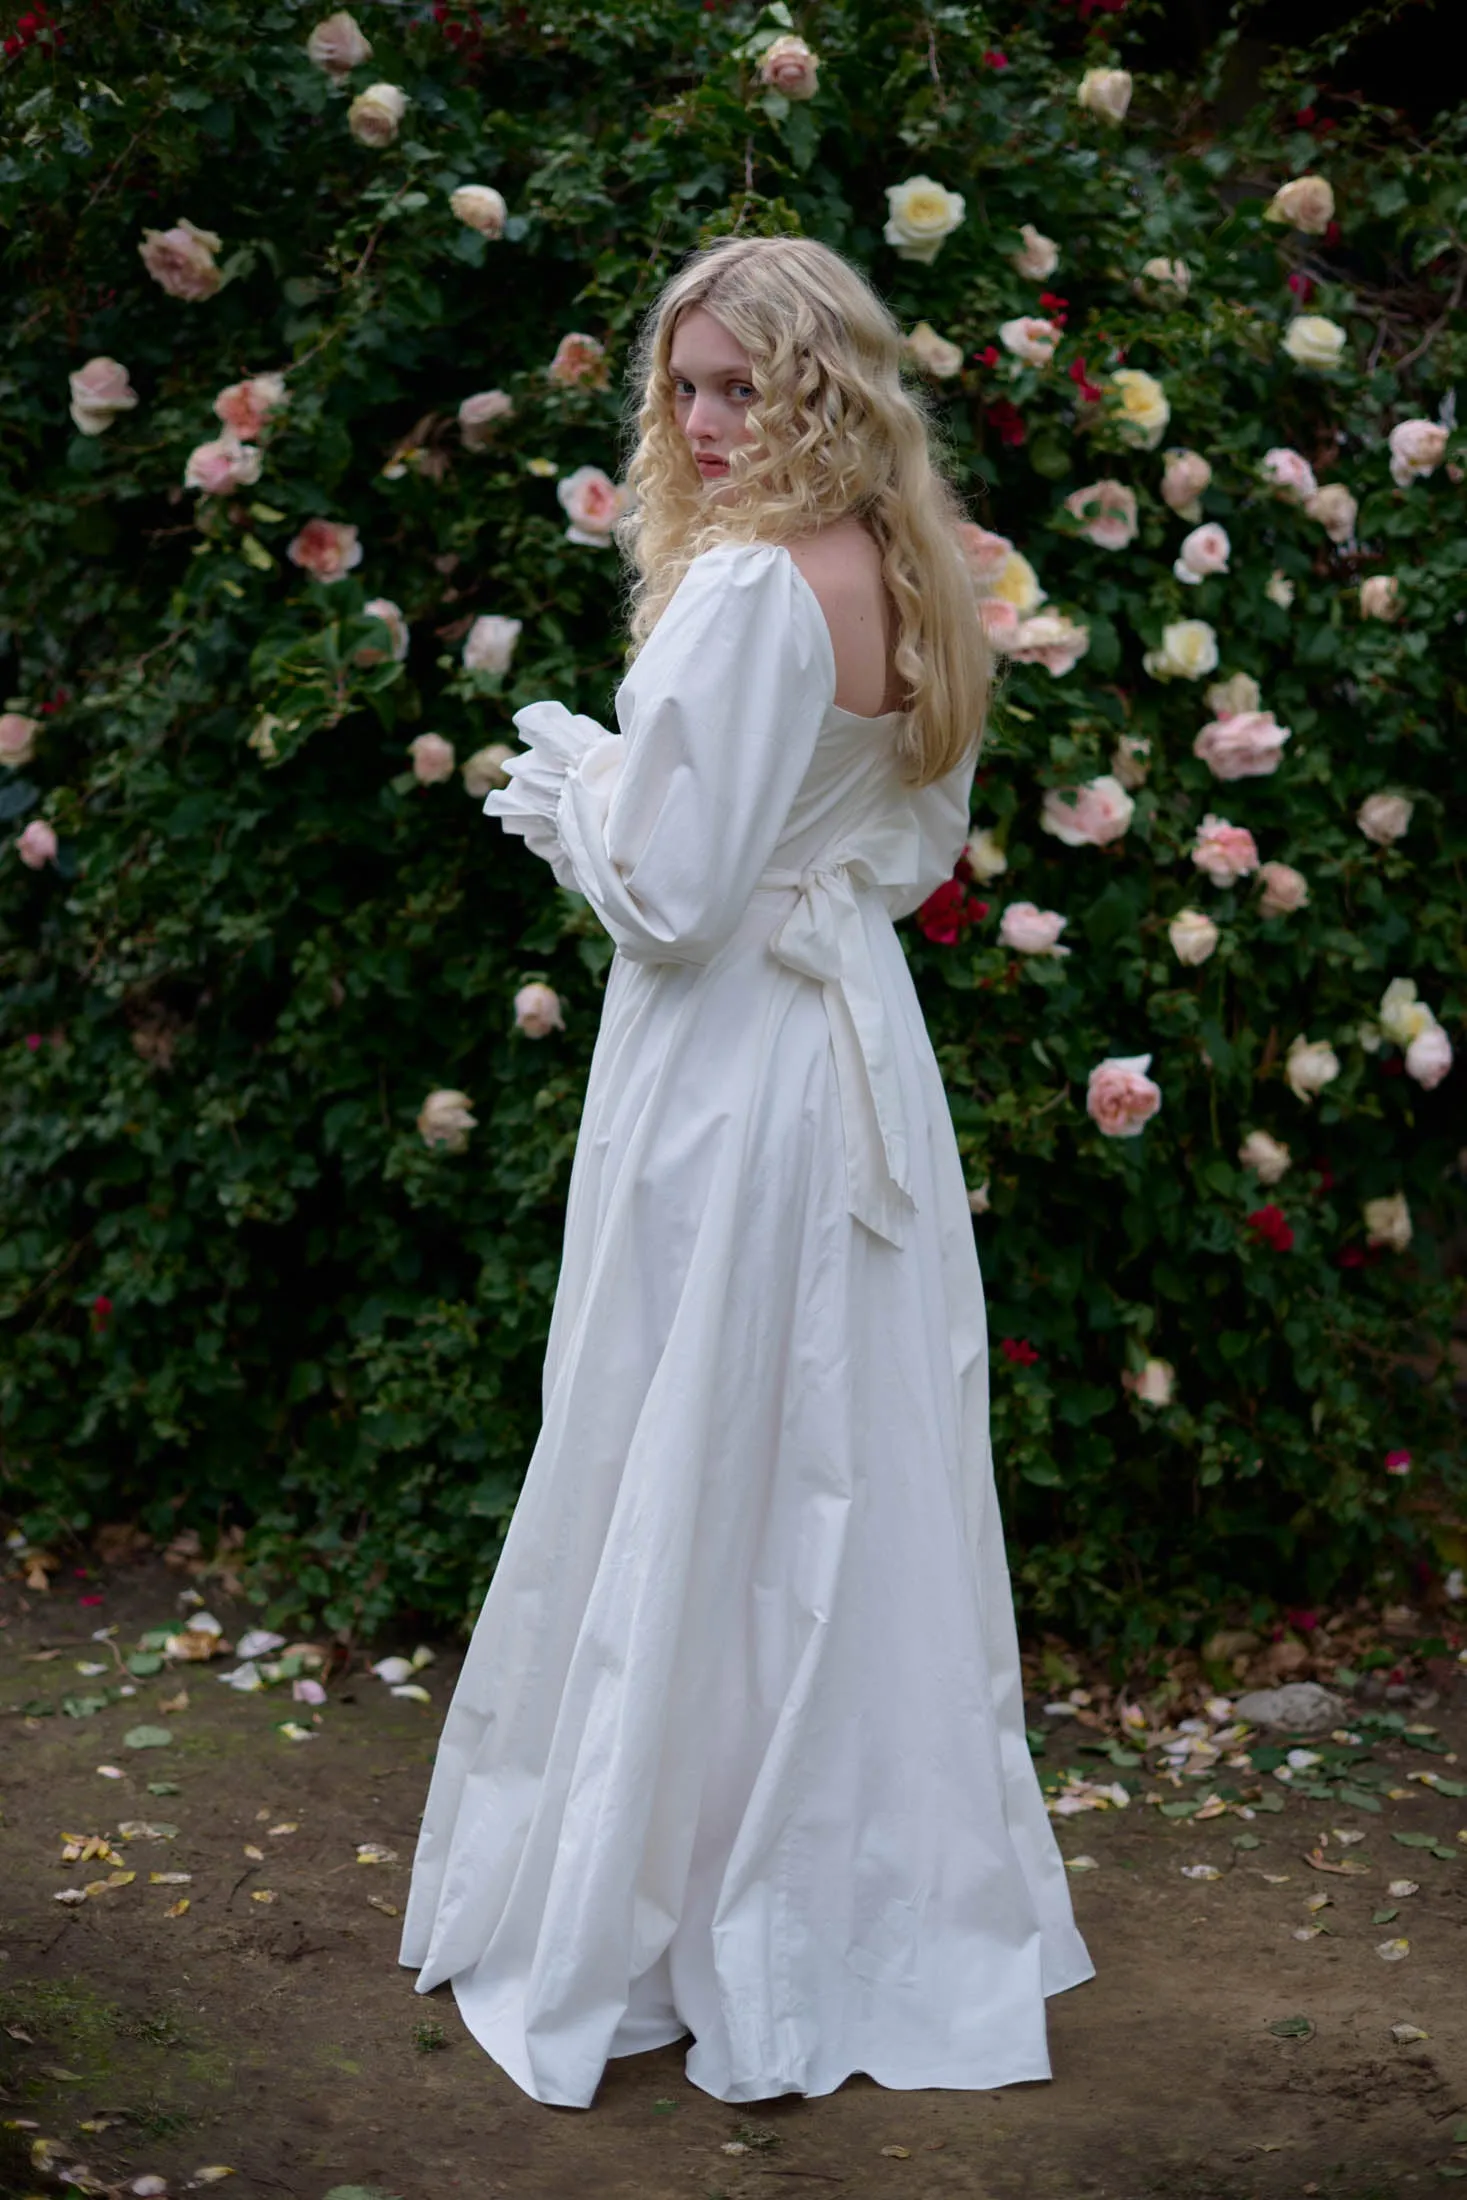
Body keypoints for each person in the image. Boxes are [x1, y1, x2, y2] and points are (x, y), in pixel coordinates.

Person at [397, 232, 1094, 2110]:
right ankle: (820, 1901)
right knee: (833, 1458)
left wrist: (568, 788)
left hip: (729, 1067)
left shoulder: (742, 598)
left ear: (822, 387)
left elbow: (678, 898)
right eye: (687, 386)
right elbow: (913, 845)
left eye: (741, 387)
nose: (706, 423)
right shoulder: (917, 577)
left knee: (693, 1430)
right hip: (849, 1043)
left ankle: (692, 1895)